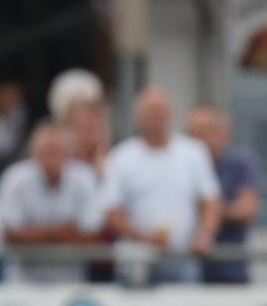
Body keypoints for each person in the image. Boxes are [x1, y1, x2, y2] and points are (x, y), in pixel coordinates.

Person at [102, 87, 221, 284]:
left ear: (170, 114)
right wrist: (144, 238)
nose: (155, 117)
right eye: (150, 112)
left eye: (159, 111)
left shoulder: (194, 152)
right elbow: (112, 210)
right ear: (137, 117)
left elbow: (211, 201)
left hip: (182, 259)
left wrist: (205, 234)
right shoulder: (121, 157)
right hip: (135, 262)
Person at [0, 123, 102, 283]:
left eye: (57, 152)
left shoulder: (84, 178)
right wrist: (62, 232)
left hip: (71, 284)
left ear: (68, 154)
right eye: (46, 153)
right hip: (23, 283)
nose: (52, 159)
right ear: (34, 154)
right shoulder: (15, 179)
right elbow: (9, 235)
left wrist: (33, 233)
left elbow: (92, 236)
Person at [187, 106, 262, 284]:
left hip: (230, 267)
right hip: (187, 267)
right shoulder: (183, 164)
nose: (198, 140)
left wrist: (210, 209)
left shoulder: (241, 163)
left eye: (204, 132)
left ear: (222, 132)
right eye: (193, 133)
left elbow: (247, 209)